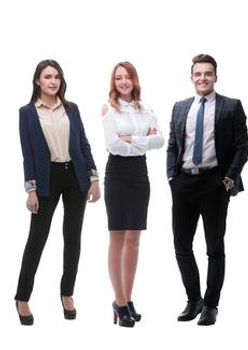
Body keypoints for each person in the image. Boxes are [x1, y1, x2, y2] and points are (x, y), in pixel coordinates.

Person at [166, 54, 248, 326]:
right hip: (183, 183)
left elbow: (242, 148)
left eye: (208, 73)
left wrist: (227, 180)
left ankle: (211, 305)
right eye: (198, 73)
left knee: (214, 247)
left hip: (215, 183)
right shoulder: (180, 108)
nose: (203, 78)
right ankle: (194, 299)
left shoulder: (231, 106)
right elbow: (172, 146)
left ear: (216, 76)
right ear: (191, 77)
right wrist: (171, 177)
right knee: (181, 245)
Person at [17, 59, 100, 326]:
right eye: (47, 77)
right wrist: (31, 190)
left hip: (75, 176)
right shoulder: (27, 112)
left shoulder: (72, 109)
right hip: (46, 179)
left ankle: (67, 293)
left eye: (57, 77)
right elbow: (27, 153)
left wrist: (94, 178)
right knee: (37, 239)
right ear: (38, 81)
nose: (53, 81)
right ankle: (22, 297)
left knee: (72, 238)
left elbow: (83, 144)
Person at [102, 61, 165, 327]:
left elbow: (160, 141)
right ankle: (119, 300)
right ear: (114, 83)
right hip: (117, 175)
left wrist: (131, 139)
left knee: (134, 241)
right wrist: (141, 140)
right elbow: (114, 146)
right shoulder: (109, 110)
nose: (124, 82)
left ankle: (127, 300)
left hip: (140, 175)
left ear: (134, 80)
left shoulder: (145, 109)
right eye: (119, 78)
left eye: (128, 77)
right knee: (118, 238)